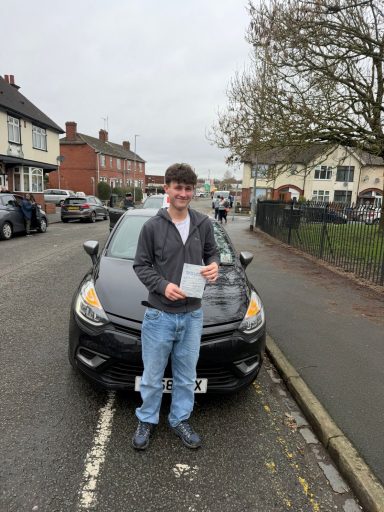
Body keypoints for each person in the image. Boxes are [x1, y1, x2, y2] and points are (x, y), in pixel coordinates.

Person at [132, 162, 219, 451]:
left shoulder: (203, 224)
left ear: (193, 191)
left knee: (186, 376)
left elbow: (212, 253)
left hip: (192, 315)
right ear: (167, 189)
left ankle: (180, 419)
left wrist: (214, 266)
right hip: (159, 314)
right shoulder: (152, 227)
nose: (183, 193)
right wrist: (162, 285)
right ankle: (147, 419)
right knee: (153, 376)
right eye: (178, 187)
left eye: (188, 188)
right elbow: (141, 265)